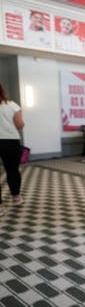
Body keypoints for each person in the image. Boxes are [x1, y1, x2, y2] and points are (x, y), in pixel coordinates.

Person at [0, 83, 25, 216]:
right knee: (12, 170)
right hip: (10, 142)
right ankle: (16, 198)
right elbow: (20, 125)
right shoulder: (12, 105)